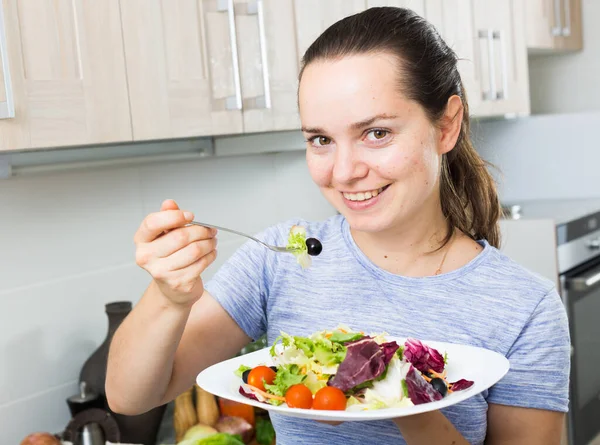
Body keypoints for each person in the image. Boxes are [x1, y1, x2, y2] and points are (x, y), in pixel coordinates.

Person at [106, 7, 570, 445]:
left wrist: (403, 396)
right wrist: (167, 297)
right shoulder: (280, 262)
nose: (345, 171)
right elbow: (131, 397)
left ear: (446, 126)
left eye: (377, 133)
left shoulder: (525, 309)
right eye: (321, 139)